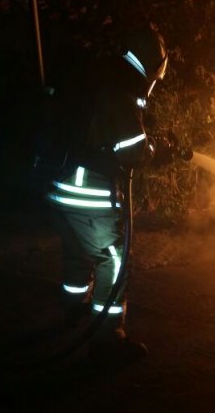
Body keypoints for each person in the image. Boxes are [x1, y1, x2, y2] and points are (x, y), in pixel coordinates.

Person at [42, 22, 189, 365]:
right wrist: (156, 149)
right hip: (88, 192)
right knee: (113, 259)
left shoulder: (98, 76)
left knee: (78, 251)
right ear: (153, 64)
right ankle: (108, 339)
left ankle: (74, 309)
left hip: (59, 184)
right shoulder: (120, 88)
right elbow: (132, 149)